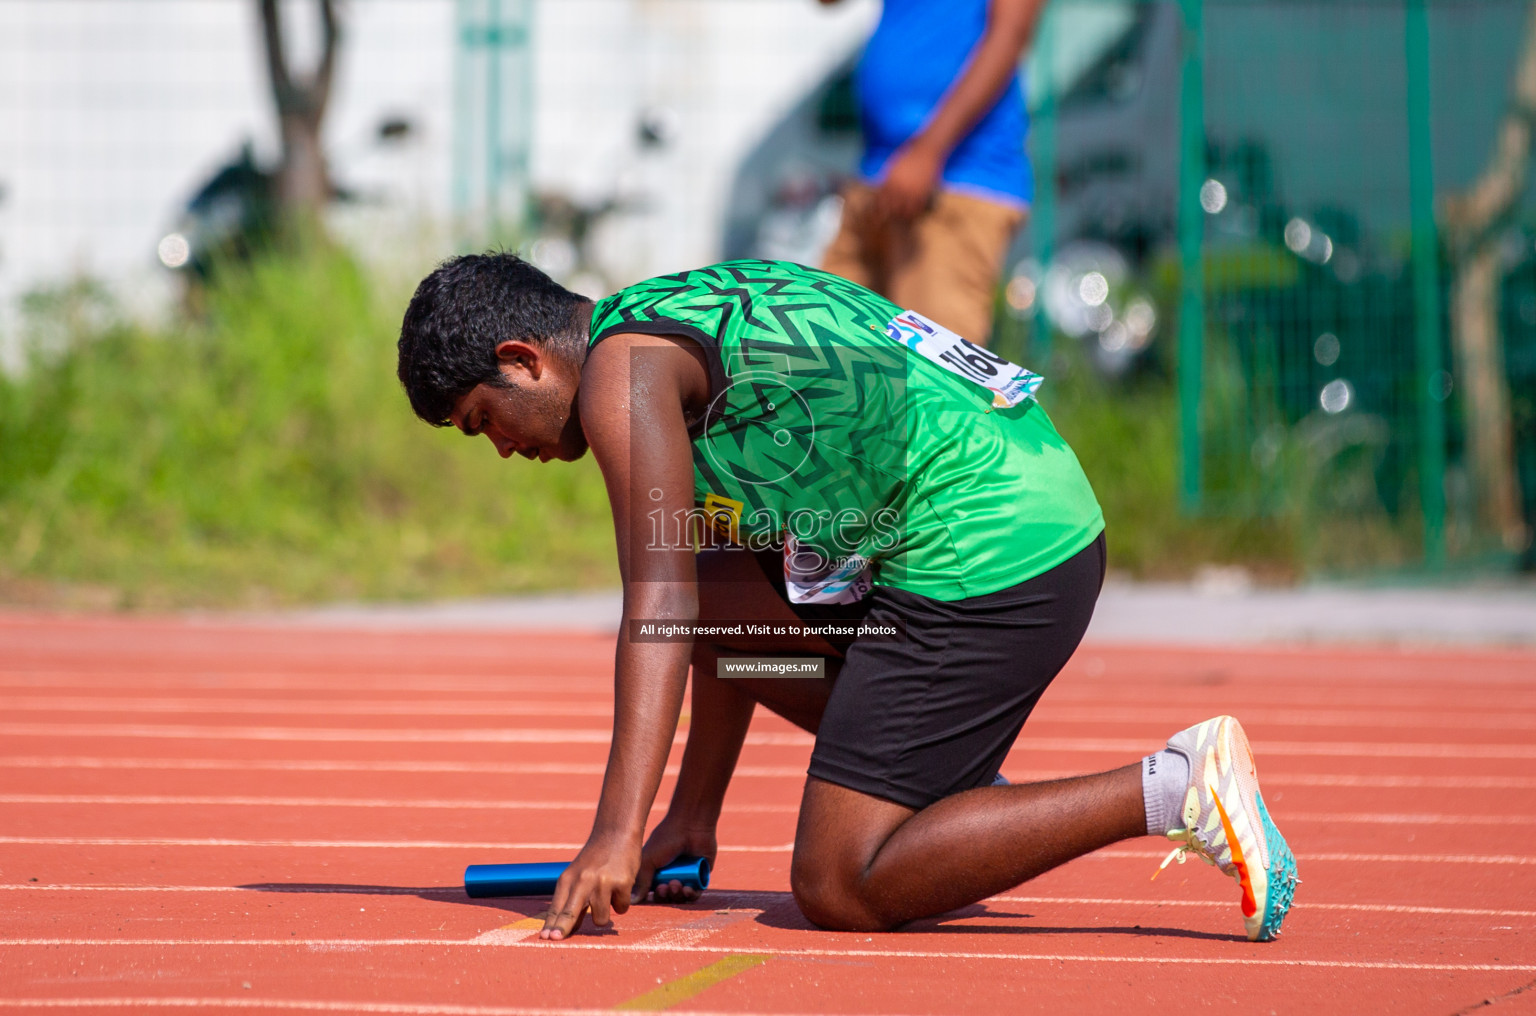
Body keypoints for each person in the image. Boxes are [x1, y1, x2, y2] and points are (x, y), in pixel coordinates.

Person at [395, 253, 1298, 943]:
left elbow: (658, 602)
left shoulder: (621, 379)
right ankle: (941, 787)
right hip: (1013, 509)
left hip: (1000, 559)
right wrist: (690, 814)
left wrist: (614, 833)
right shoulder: (664, 318)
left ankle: (1175, 786)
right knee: (721, 593)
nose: (503, 450)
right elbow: (711, 606)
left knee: (837, 883)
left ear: (525, 359)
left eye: (485, 421)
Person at [817, 0, 1043, 346]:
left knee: (933, 380)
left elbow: (1010, 33)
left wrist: (929, 151)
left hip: (957, 180)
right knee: (822, 364)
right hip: (877, 178)